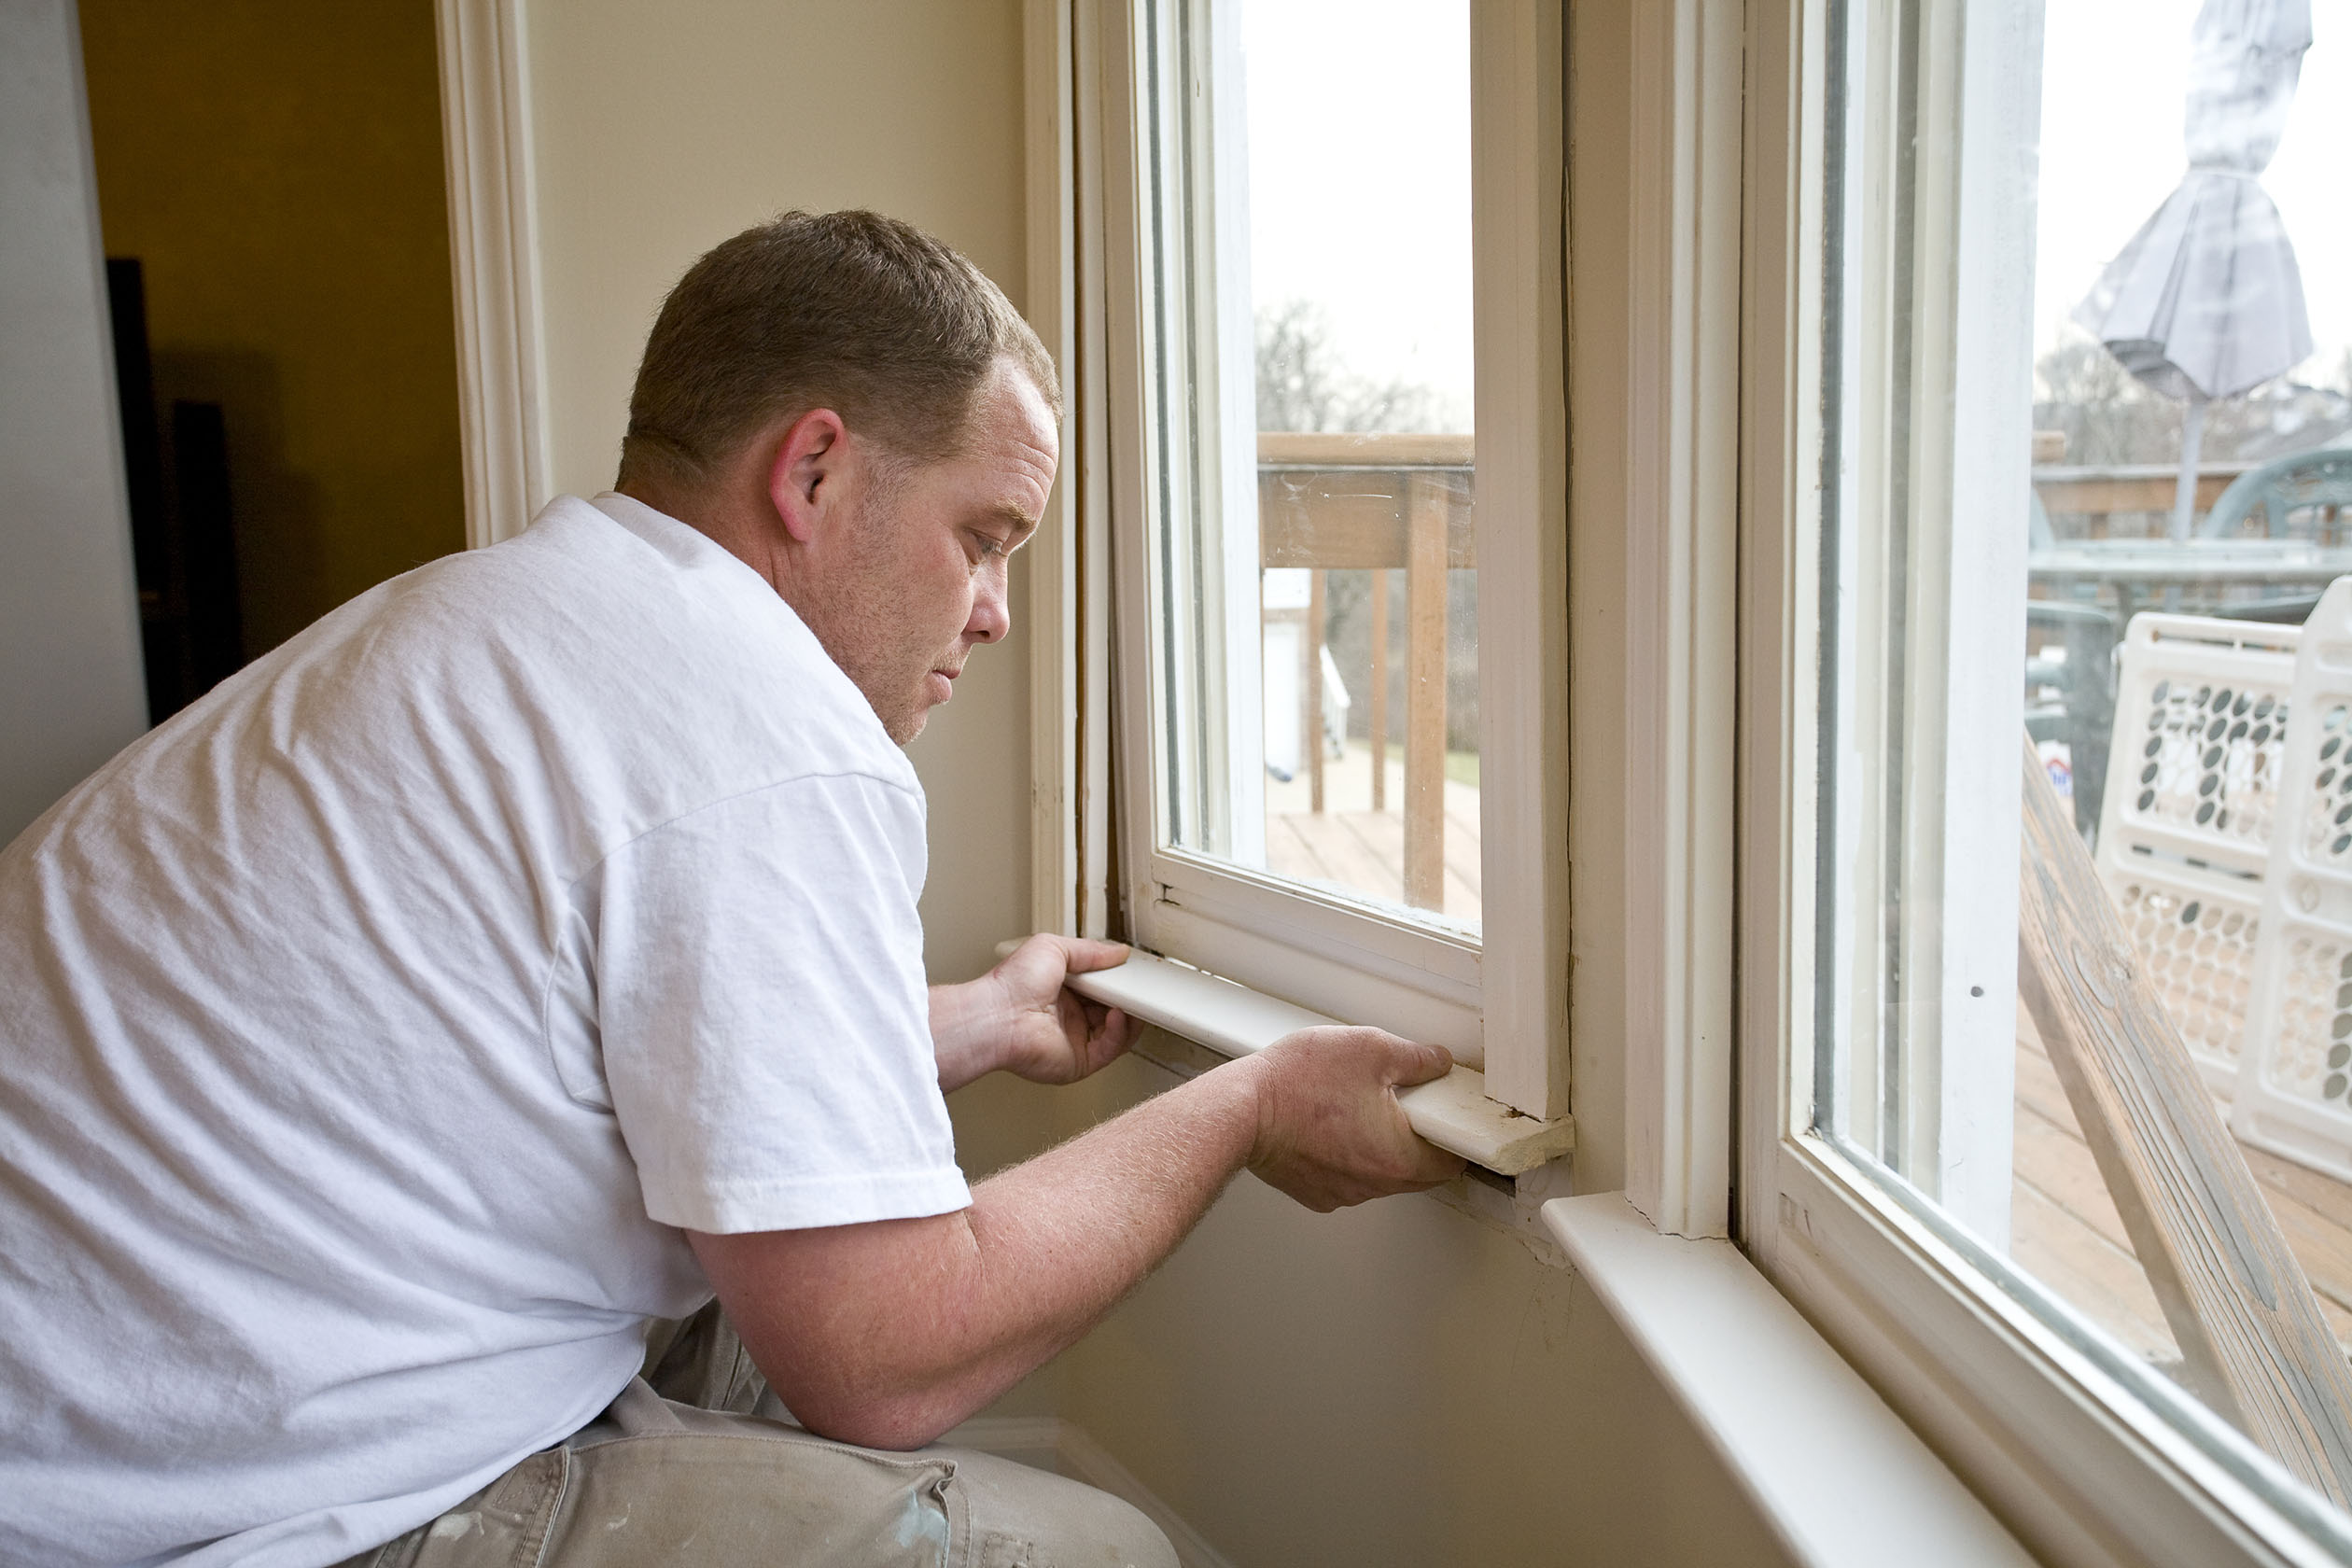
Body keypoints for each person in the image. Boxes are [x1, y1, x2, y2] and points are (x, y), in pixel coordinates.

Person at [0, 210, 1463, 1568]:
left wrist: (969, 1020)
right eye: (982, 537)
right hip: (192, 1511)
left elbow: (595, 1044)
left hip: (109, 1418)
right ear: (813, 471)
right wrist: (1246, 1105)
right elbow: (888, 1358)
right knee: (1105, 1556)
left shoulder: (504, 621)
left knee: (746, 1303)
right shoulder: (754, 734)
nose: (998, 611)